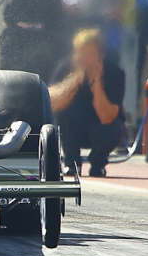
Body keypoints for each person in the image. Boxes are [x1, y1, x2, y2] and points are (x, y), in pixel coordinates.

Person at [49, 29, 125, 177]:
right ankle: (71, 163)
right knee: (63, 115)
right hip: (73, 129)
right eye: (80, 53)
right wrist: (76, 79)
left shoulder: (115, 73)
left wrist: (96, 83)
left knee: (113, 127)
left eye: (89, 54)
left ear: (100, 55)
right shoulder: (66, 67)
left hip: (99, 127)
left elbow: (107, 117)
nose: (83, 58)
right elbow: (53, 103)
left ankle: (98, 163)